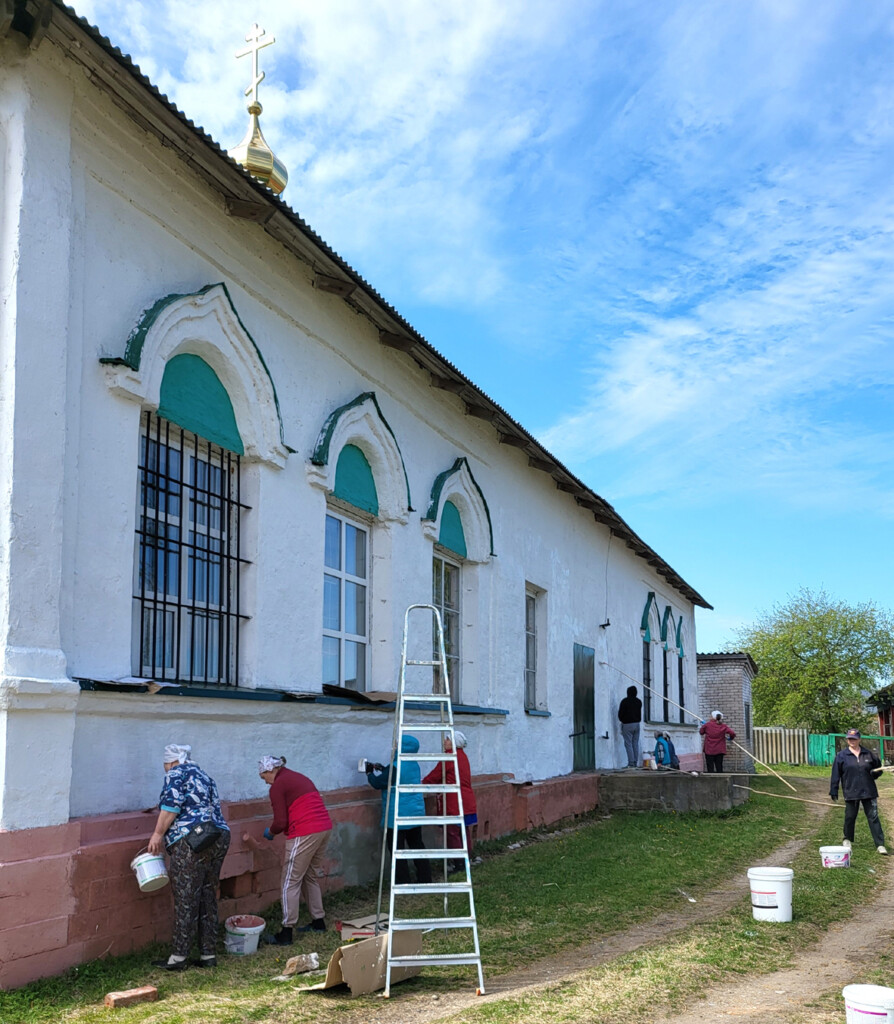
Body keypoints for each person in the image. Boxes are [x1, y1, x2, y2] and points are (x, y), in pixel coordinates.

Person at [148, 744, 230, 972]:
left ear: (172, 761)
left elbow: (172, 806)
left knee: (186, 896)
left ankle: (178, 957)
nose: (165, 768)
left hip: (192, 839)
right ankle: (208, 954)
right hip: (219, 835)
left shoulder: (175, 773)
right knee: (207, 893)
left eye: (165, 764)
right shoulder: (205, 776)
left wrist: (157, 833)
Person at [259, 755, 333, 944]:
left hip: (304, 832)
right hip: (324, 828)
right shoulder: (298, 777)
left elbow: (281, 821)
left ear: (269, 770)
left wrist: (272, 832)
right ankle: (318, 921)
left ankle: (286, 931)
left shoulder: (278, 785)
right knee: (309, 875)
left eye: (263, 777)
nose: (266, 782)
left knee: (289, 881)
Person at [366, 735, 432, 884]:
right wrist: (383, 769)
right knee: (417, 845)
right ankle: (425, 877)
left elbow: (379, 783)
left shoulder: (395, 766)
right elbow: (398, 777)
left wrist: (369, 773)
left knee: (397, 849)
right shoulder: (413, 764)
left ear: (403, 747)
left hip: (397, 815)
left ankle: (403, 881)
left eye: (396, 744)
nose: (394, 747)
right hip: (415, 813)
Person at [423, 730, 477, 872]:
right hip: (466, 799)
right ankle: (467, 858)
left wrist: (422, 785)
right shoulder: (463, 756)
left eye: (447, 739)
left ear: (454, 742)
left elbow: (436, 775)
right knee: (463, 831)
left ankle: (459, 863)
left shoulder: (449, 757)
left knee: (452, 832)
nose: (444, 742)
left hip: (453, 801)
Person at [830, 728, 887, 855]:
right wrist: (833, 789)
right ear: (847, 740)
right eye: (850, 739)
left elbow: (879, 769)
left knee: (873, 817)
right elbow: (835, 774)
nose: (852, 741)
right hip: (851, 790)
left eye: (854, 738)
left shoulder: (869, 754)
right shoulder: (841, 756)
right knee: (850, 817)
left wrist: (874, 773)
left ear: (859, 739)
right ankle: (847, 839)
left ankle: (880, 844)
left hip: (868, 790)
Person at [617, 685, 642, 768]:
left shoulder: (624, 701)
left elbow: (620, 714)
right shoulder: (639, 701)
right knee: (635, 743)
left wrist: (622, 720)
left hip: (627, 724)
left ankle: (631, 763)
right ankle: (635, 762)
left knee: (628, 743)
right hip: (637, 724)